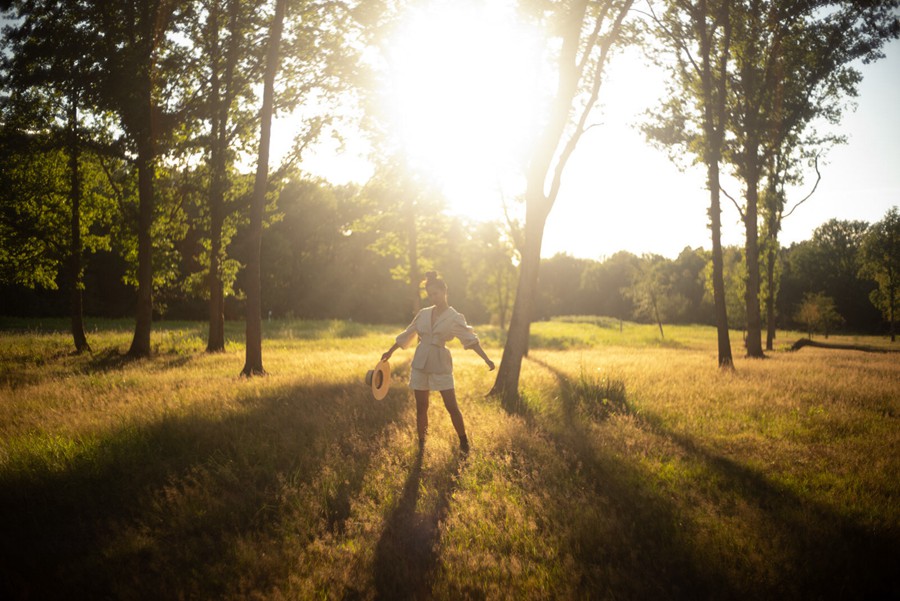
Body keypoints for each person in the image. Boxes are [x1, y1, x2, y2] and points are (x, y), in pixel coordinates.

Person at [382, 271, 495, 453]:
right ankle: (422, 444)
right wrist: (390, 351)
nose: (433, 298)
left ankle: (464, 441)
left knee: (451, 405)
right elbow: (408, 333)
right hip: (420, 363)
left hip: (440, 363)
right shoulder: (423, 314)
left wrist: (486, 359)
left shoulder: (454, 317)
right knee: (421, 406)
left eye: (435, 293)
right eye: (430, 295)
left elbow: (470, 339)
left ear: (444, 291)